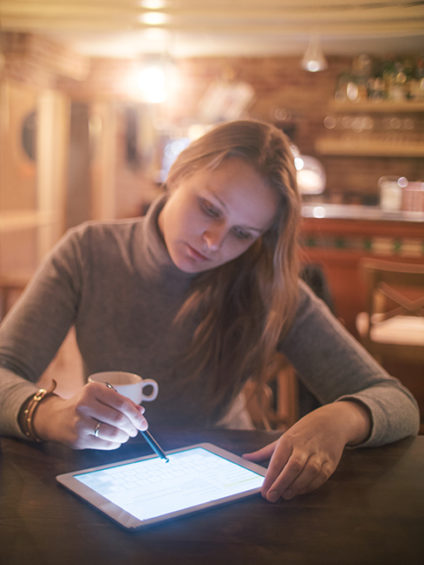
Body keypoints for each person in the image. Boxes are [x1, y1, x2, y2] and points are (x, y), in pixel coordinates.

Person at [0, 119, 419, 503]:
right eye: (210, 208)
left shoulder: (265, 285)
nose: (214, 242)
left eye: (242, 233)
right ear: (178, 173)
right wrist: (51, 413)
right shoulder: (87, 252)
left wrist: (341, 418)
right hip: (106, 473)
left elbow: (396, 402)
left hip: (220, 479)